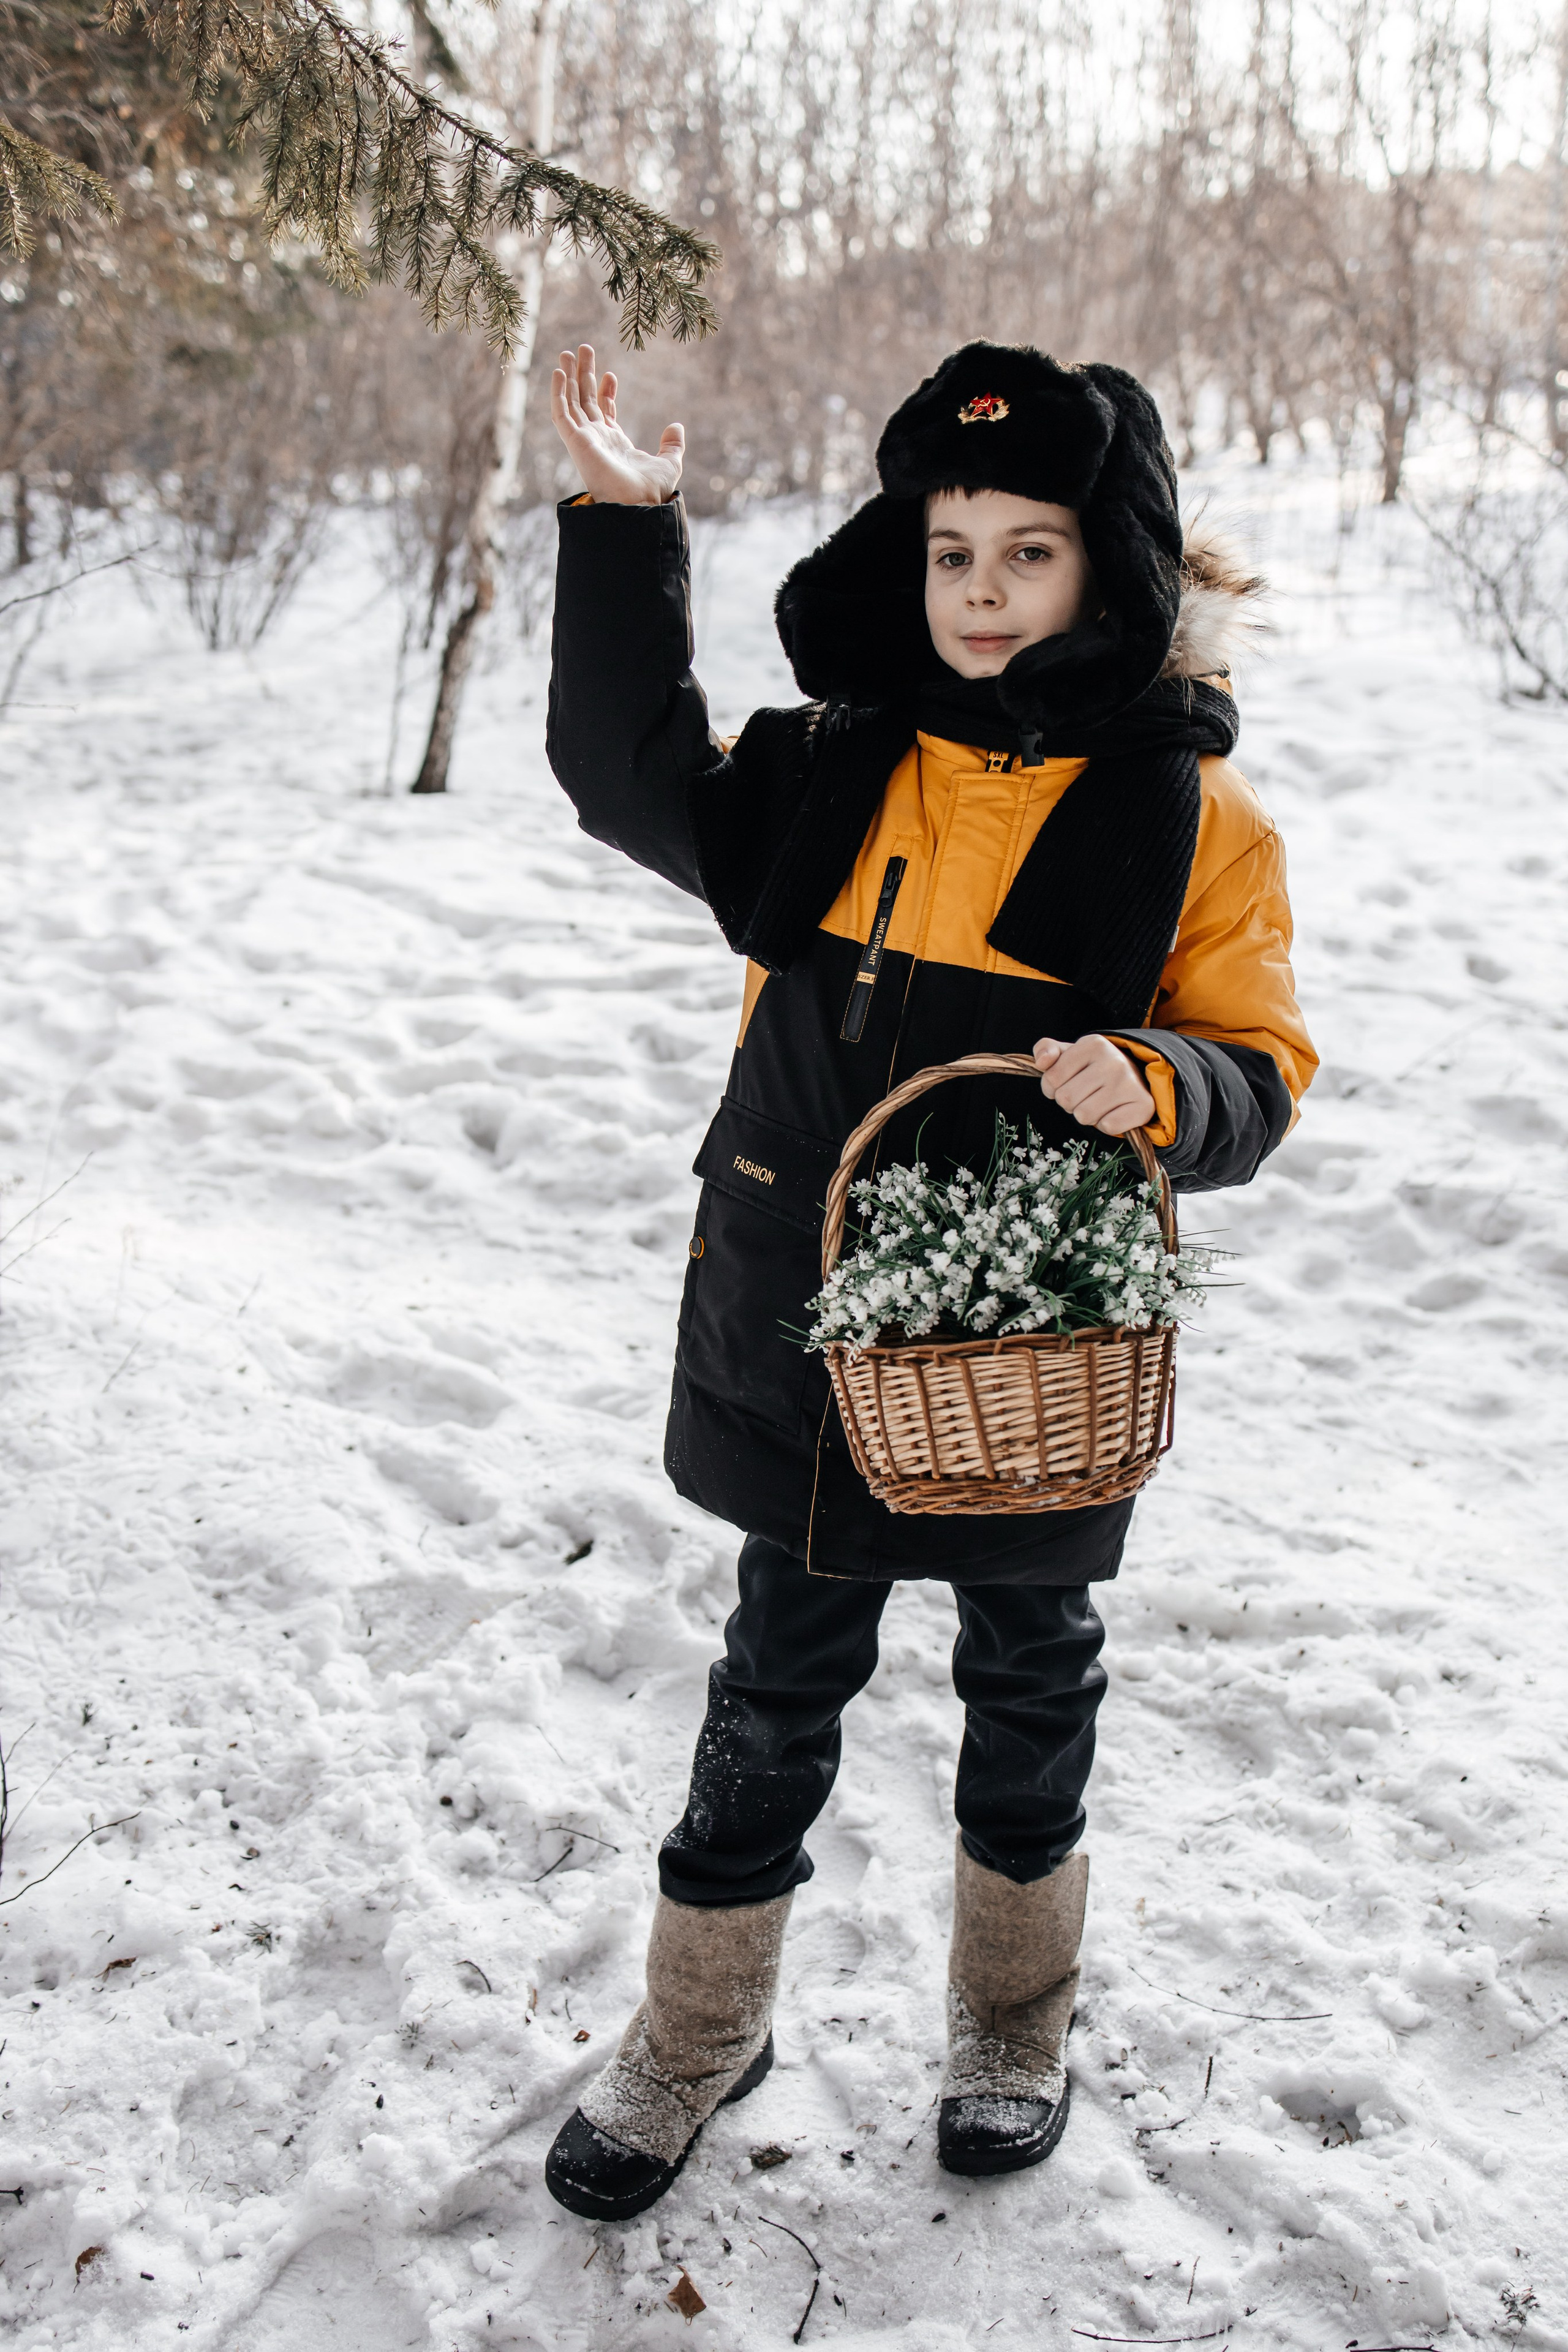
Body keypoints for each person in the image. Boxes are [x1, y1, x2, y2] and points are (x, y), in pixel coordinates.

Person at [540, 340, 1316, 2218]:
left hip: (1028, 1339)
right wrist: (626, 529)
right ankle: (702, 2022)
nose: (979, 592)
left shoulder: (1191, 821)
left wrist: (1157, 1082)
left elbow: (1259, 1062)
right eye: (950, 550)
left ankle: (1012, 2016)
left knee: (1031, 1673)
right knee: (771, 1674)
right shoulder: (829, 772)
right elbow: (619, 766)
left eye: (1027, 554)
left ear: (1107, 570)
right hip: (804, 1320)